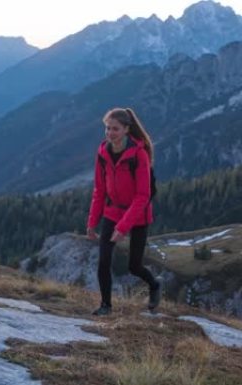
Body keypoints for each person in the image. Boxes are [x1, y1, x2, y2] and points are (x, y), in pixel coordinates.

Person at [86, 107, 160, 316]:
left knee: (134, 266)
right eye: (107, 128)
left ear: (127, 129)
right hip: (112, 212)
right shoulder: (102, 153)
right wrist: (92, 223)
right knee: (104, 260)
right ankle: (106, 305)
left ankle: (154, 285)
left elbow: (143, 196)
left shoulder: (139, 154)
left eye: (115, 129)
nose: (110, 133)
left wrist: (123, 227)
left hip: (138, 215)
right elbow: (99, 190)